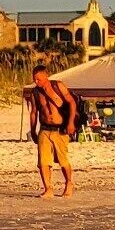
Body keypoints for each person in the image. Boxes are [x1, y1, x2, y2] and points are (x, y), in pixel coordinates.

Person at [27, 67, 79, 198]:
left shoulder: (57, 86)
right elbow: (34, 112)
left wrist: (71, 122)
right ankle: (48, 188)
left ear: (46, 76)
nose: (36, 81)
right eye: (34, 79)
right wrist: (33, 130)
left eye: (38, 78)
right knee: (43, 162)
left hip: (59, 129)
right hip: (44, 129)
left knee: (62, 160)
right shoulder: (35, 92)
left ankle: (69, 183)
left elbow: (72, 103)